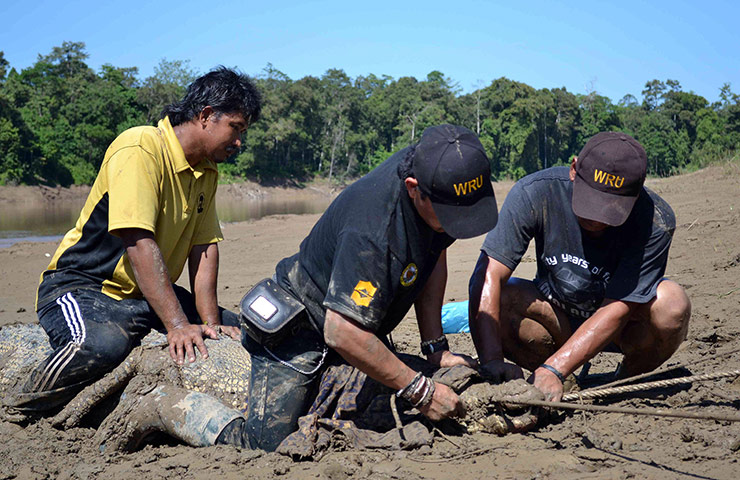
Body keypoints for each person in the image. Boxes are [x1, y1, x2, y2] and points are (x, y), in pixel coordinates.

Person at [96, 124, 499, 452]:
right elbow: (340, 331)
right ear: (413, 187)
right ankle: (164, 404)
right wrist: (420, 390)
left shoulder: (440, 170)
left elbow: (432, 259)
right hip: (299, 327)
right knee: (266, 444)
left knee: (397, 392)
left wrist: (435, 348)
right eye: (448, 216)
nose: (452, 228)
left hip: (357, 321)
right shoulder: (374, 230)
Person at [6, 67, 262, 413]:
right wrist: (177, 325)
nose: (238, 142)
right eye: (236, 128)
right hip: (84, 287)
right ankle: (19, 401)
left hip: (145, 296)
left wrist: (211, 324)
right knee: (101, 347)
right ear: (206, 116)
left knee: (253, 331)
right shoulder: (140, 147)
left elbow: (204, 250)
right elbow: (138, 240)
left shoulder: (206, 169)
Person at [468, 131, 691, 402]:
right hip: (557, 317)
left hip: (620, 327)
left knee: (672, 304)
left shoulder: (654, 219)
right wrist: (491, 360)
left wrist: (555, 367)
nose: (595, 218)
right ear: (574, 169)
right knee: (501, 296)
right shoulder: (536, 191)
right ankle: (563, 381)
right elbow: (489, 272)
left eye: (610, 208)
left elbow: (620, 307)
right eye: (590, 202)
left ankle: (622, 383)